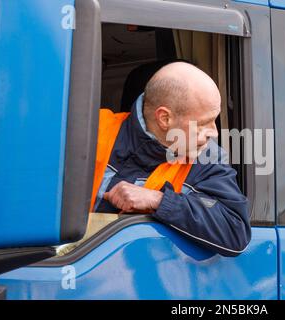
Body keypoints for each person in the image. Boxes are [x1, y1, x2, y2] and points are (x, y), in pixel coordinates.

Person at [91, 62, 251, 257]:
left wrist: (158, 200)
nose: (214, 133)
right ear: (165, 119)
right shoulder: (92, 130)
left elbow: (235, 230)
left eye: (214, 120)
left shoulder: (207, 158)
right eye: (203, 123)